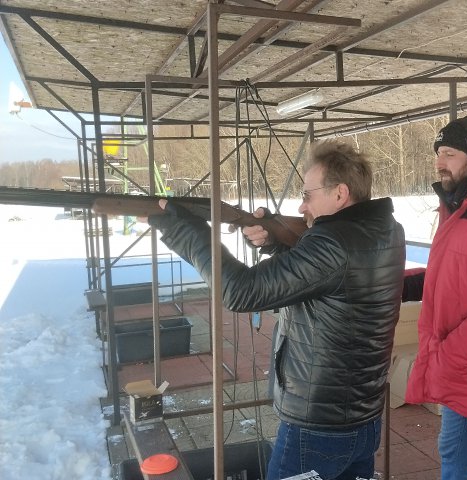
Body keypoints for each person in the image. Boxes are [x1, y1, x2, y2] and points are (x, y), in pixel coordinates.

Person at [144, 139, 406, 480]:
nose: (302, 206)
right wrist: (275, 242)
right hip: (362, 416)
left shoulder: (332, 243)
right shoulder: (386, 230)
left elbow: (241, 292)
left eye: (308, 195)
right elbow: (332, 284)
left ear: (340, 194)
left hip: (318, 426)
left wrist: (186, 231)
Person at [403, 113, 467, 480]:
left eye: (449, 154)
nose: (439, 163)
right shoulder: (456, 208)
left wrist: (448, 357)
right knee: (452, 455)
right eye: (439, 154)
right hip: (457, 371)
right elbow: (446, 276)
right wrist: (395, 285)